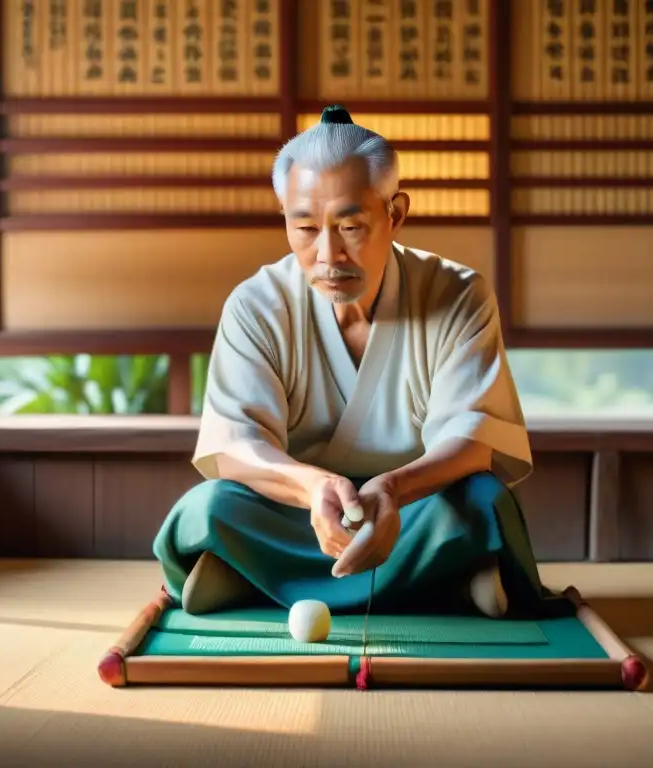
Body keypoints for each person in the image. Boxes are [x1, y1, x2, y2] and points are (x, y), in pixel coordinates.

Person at [154, 105, 562, 620]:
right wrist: (313, 487)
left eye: (350, 226)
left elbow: (475, 438)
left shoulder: (457, 294)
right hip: (296, 517)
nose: (329, 254)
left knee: (481, 502)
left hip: (414, 510)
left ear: (395, 212)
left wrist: (393, 488)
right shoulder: (256, 304)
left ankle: (253, 581)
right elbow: (235, 444)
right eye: (305, 228)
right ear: (284, 218)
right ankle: (448, 582)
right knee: (209, 508)